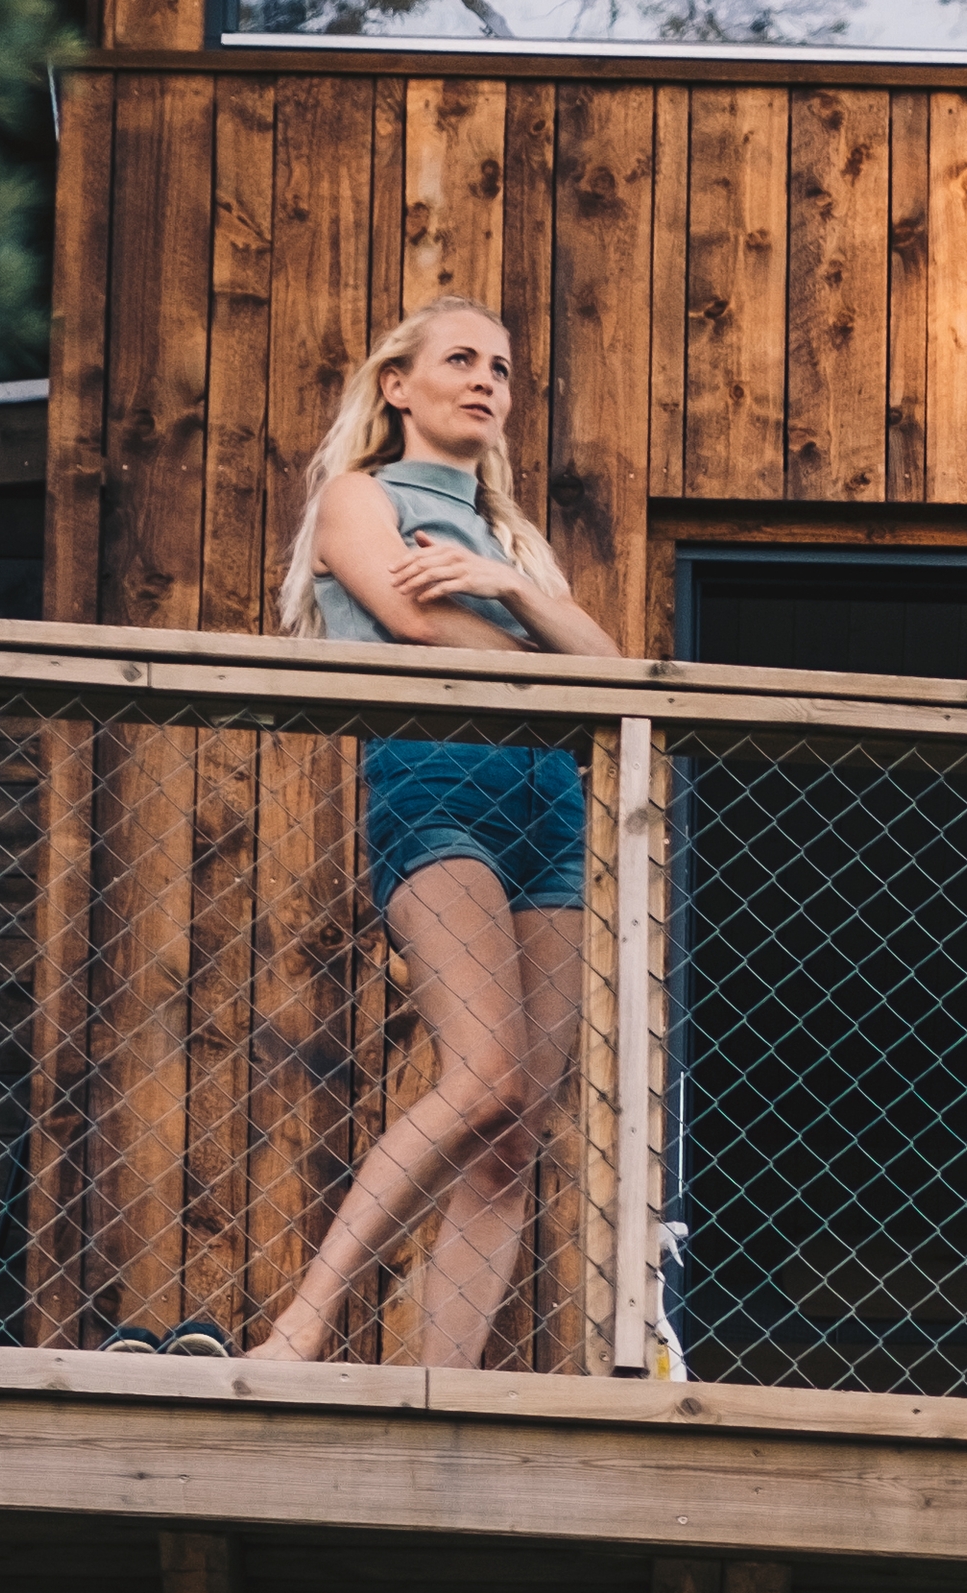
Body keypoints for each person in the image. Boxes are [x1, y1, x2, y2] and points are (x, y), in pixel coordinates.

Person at [243, 296, 620, 1367]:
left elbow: (610, 671)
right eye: (461, 359)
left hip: (550, 802)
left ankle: (437, 1386)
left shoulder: (513, 542)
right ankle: (305, 1324)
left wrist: (506, 584)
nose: (488, 380)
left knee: (518, 1131)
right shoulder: (358, 496)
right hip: (437, 779)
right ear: (398, 385)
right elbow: (412, 626)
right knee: (483, 1075)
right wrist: (538, 640)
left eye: (502, 368)